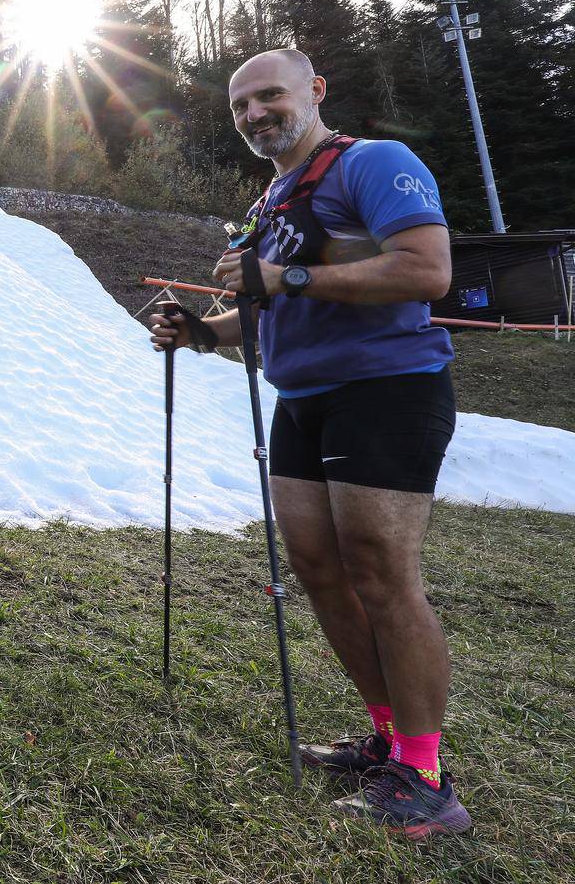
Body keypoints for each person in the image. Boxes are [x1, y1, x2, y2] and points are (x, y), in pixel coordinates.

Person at [150, 48, 470, 839]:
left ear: (314, 90)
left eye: (269, 96)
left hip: (388, 390)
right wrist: (200, 332)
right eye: (240, 108)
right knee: (320, 570)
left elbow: (427, 270)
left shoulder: (374, 162)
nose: (256, 114)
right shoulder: (272, 197)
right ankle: (388, 741)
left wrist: (284, 278)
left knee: (381, 572)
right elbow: (266, 310)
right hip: (303, 399)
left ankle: (427, 777)